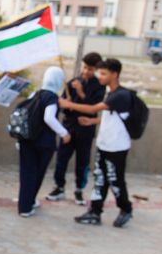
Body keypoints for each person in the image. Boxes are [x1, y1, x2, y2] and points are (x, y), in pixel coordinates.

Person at [60, 58, 134, 227]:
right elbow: (111, 117)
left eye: (103, 73)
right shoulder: (112, 94)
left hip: (116, 147)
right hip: (104, 144)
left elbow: (93, 109)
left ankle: (126, 209)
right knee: (100, 179)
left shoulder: (121, 95)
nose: (99, 76)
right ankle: (95, 211)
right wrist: (92, 122)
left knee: (115, 180)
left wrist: (67, 103)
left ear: (115, 74)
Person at [46, 52, 105, 205]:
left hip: (86, 130)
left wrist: (80, 92)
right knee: (61, 159)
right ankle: (59, 187)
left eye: (90, 69)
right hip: (69, 128)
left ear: (96, 70)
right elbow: (64, 106)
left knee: (82, 161)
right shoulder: (72, 82)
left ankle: (79, 190)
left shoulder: (99, 86)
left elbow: (93, 107)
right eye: (85, 67)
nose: (86, 71)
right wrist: (67, 100)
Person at [17, 67, 71, 217]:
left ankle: (27, 203)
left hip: (27, 140)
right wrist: (64, 133)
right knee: (37, 174)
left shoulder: (35, 94)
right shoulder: (51, 97)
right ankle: (26, 206)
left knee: (27, 173)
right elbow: (49, 118)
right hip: (43, 143)